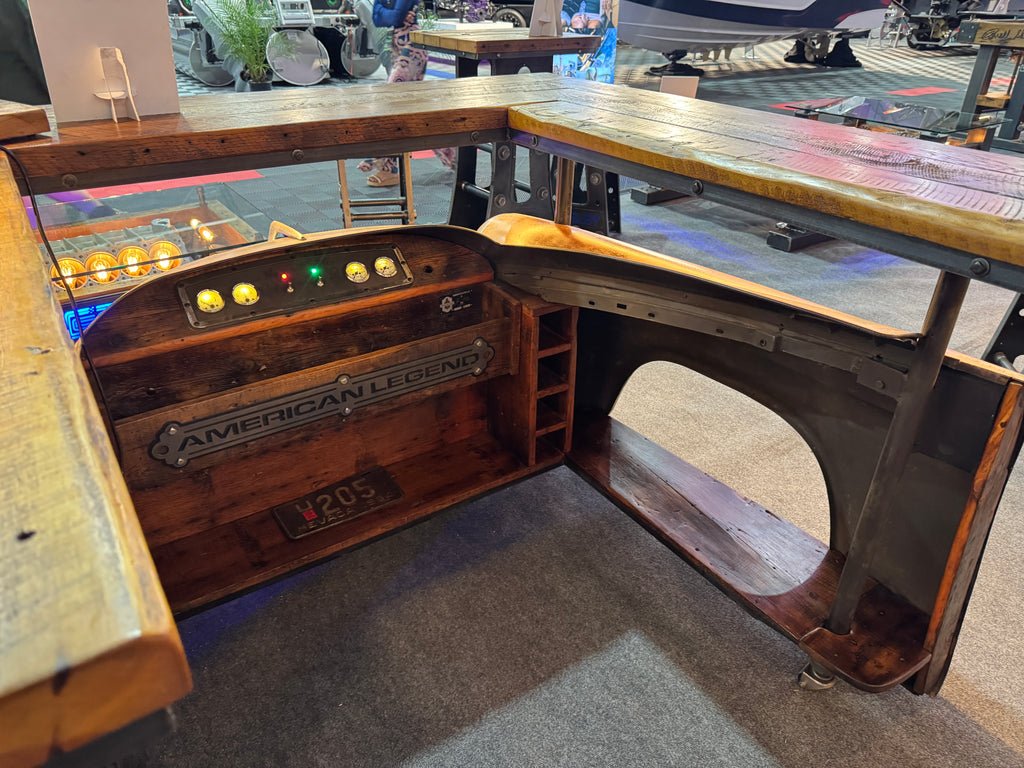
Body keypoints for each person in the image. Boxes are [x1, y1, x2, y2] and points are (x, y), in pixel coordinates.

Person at [360, 0, 455, 187]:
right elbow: (377, 19)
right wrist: (387, 14)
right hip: (397, 45)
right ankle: (452, 154)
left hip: (412, 47)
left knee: (391, 101)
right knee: (413, 109)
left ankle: (387, 166)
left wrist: (384, 12)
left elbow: (392, 16)